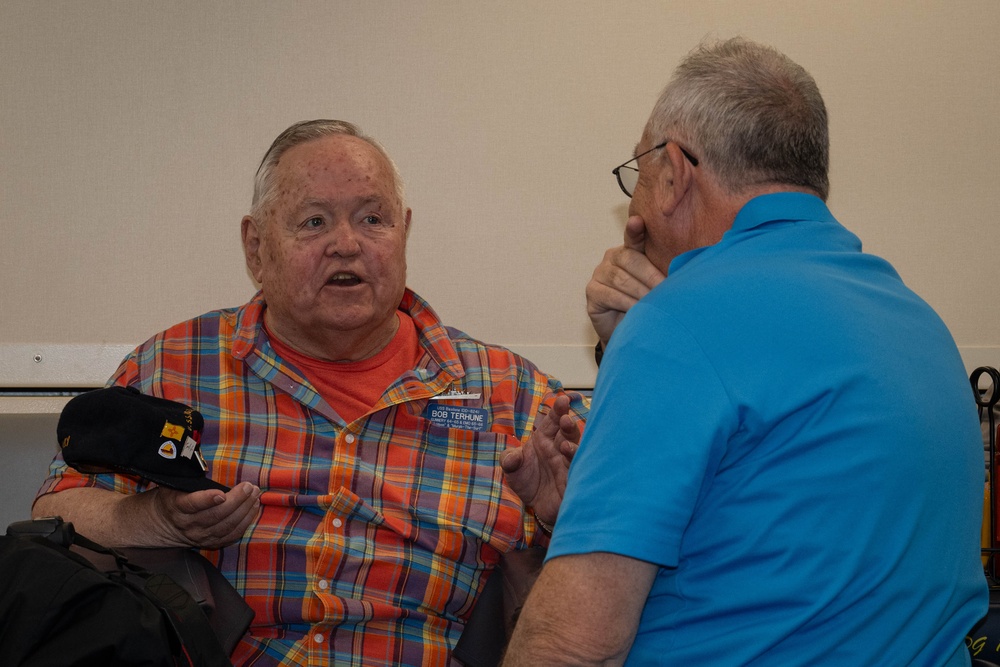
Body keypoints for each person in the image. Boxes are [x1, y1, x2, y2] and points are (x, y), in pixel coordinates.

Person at [503, 37, 987, 666]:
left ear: (675, 172)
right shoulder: (921, 323)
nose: (636, 208)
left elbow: (572, 647)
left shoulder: (678, 326)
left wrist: (654, 336)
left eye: (639, 175)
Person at [33, 119, 586, 665]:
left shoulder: (513, 393)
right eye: (314, 222)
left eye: (373, 219)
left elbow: (635, 552)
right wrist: (155, 520)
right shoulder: (174, 367)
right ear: (255, 247)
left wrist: (567, 515)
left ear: (404, 234)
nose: (346, 245)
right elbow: (54, 515)